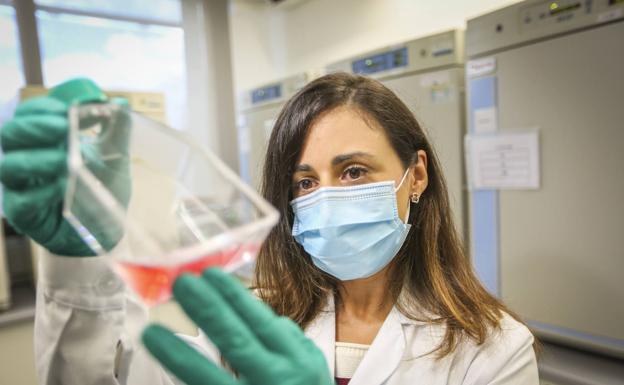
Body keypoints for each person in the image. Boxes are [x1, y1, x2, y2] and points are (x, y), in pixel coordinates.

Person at [0, 73, 539, 385]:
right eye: (305, 182)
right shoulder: (250, 324)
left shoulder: (491, 350)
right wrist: (79, 258)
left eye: (353, 171)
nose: (325, 195)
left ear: (415, 174)